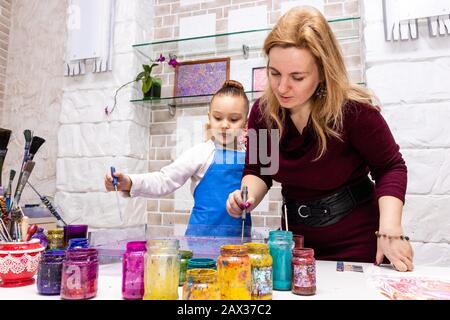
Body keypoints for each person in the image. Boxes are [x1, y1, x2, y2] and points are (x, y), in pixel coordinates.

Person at [226, 6, 414, 271]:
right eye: (274, 73)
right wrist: (245, 198)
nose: (281, 88)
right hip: (297, 243)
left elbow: (390, 168)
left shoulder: (353, 111)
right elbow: (259, 171)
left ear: (323, 71)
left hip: (357, 241)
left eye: (297, 77)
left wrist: (390, 230)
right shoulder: (263, 112)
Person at [105, 80, 251, 237]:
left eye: (234, 119)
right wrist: (129, 182)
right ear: (209, 118)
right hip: (201, 243)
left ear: (246, 122)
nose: (224, 125)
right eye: (218, 118)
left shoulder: (250, 157)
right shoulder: (201, 152)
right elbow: (165, 180)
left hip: (240, 244)